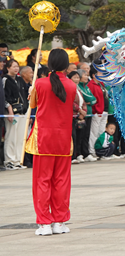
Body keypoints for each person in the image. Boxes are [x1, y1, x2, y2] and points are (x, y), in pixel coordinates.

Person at [27, 48, 77, 236]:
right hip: (63, 140)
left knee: (42, 181)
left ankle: (44, 223)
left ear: (50, 64)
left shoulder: (40, 83)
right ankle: (59, 221)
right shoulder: (72, 86)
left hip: (43, 141)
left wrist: (32, 91)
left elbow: (33, 105)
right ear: (66, 65)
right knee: (62, 181)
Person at [2, 59, 28, 170]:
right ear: (8, 68)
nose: (16, 68)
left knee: (20, 137)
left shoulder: (20, 79)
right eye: (13, 66)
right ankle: (9, 160)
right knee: (11, 136)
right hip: (11, 111)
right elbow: (4, 97)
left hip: (22, 111)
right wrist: (10, 110)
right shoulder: (5, 79)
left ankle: (18, 159)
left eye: (17, 66)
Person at [88, 66, 109, 158]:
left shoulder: (101, 84)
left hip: (104, 111)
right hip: (97, 112)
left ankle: (100, 151)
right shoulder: (91, 85)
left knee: (101, 132)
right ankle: (92, 151)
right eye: (100, 73)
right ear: (93, 75)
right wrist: (96, 110)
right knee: (94, 132)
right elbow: (92, 98)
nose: (102, 74)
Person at [77, 69, 97, 162]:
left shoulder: (87, 87)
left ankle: (86, 153)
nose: (86, 77)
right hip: (82, 114)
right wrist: (90, 101)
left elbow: (93, 99)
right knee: (80, 135)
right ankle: (79, 153)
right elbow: (87, 97)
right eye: (85, 75)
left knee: (86, 135)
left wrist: (91, 101)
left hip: (89, 113)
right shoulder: (79, 87)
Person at [67, 71, 87, 164]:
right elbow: (70, 101)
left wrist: (84, 111)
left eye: (78, 77)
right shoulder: (69, 89)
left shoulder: (78, 89)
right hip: (72, 115)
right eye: (74, 77)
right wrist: (79, 110)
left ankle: (79, 154)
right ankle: (72, 156)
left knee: (80, 136)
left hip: (80, 116)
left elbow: (83, 102)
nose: (77, 79)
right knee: (73, 136)